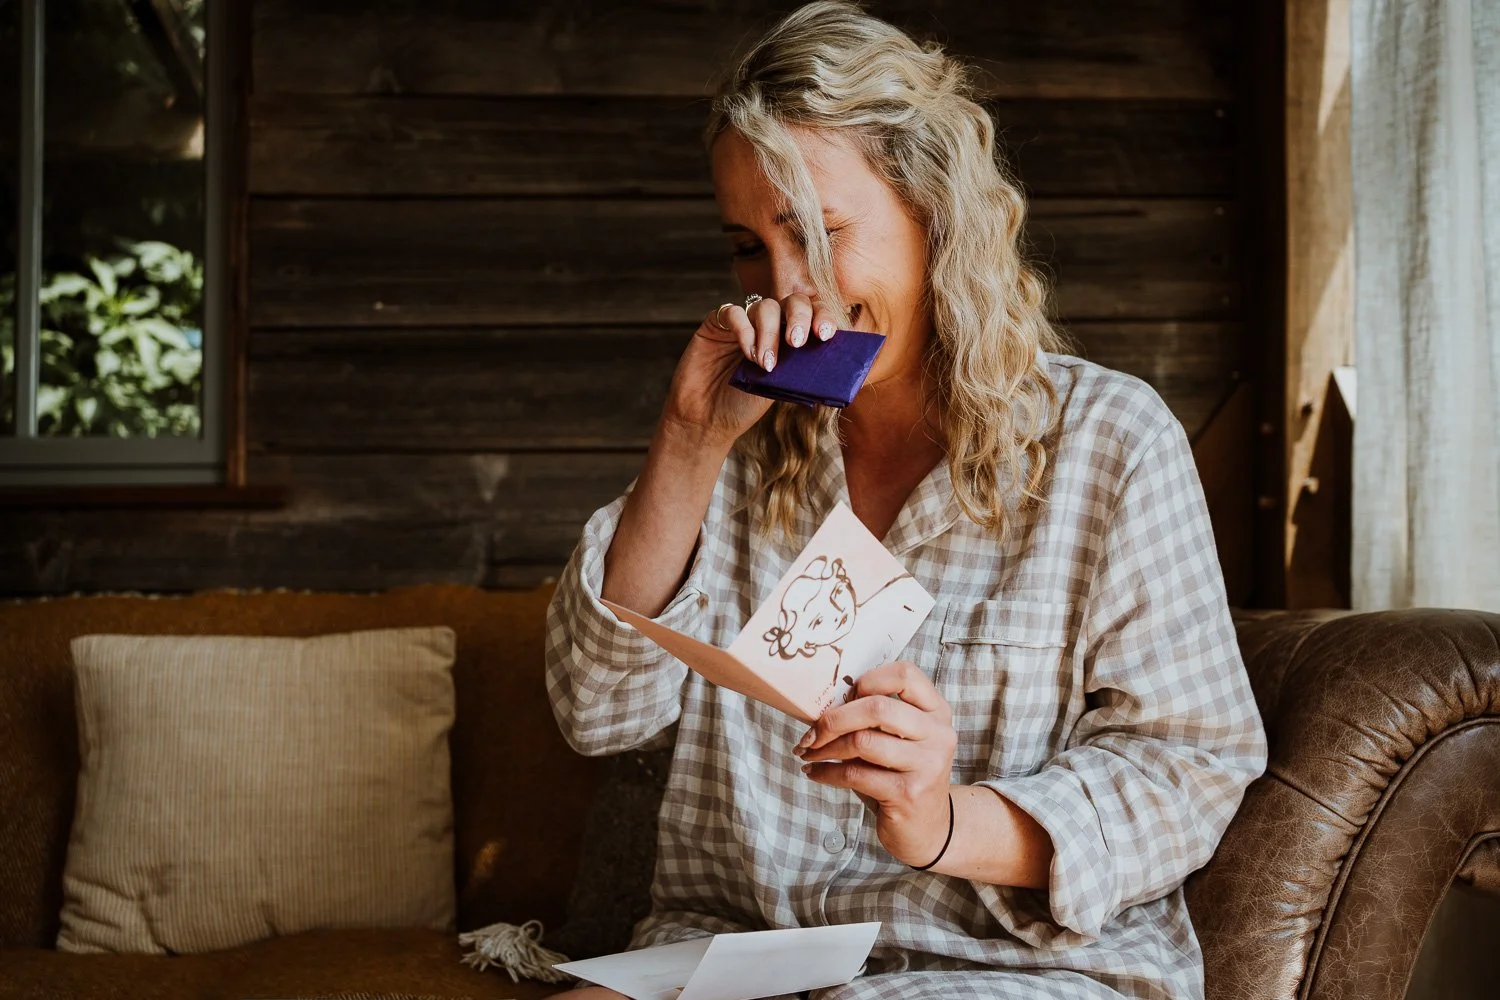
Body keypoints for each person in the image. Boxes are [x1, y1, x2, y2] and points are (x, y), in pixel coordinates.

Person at [543, 3, 1268, 997]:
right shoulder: (745, 449)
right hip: (738, 955)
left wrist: (943, 819)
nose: (789, 288)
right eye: (749, 246)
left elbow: (1189, 774)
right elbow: (599, 712)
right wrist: (688, 440)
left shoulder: (1109, 443)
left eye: (820, 232)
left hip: (1004, 967)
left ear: (936, 216)